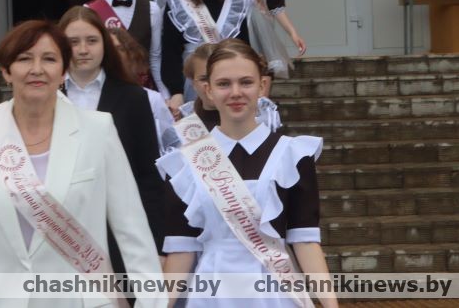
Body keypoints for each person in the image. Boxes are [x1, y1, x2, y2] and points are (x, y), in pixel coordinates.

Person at [0, 20, 164, 308]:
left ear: (63, 72)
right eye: (25, 59)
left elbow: (132, 230)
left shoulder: (97, 130)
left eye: (49, 59)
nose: (37, 69)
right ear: (6, 71)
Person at [160, 39, 336, 308]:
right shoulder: (186, 162)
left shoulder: (292, 154)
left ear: (262, 86)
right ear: (208, 90)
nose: (235, 92)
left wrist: (331, 304)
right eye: (223, 84)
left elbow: (305, 242)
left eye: (246, 82)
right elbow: (182, 250)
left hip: (275, 294)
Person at [59, 6, 165, 271]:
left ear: (104, 45)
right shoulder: (48, 96)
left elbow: (147, 174)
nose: (83, 50)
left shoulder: (133, 97)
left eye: (92, 41)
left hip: (117, 230)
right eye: (73, 42)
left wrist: (156, 243)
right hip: (60, 226)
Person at [156, 0, 253, 117]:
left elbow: (244, 47)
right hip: (193, 82)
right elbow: (171, 51)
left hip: (230, 80)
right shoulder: (179, 1)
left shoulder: (235, 0)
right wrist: (176, 91)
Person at [87, 0, 165, 94]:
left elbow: (155, 57)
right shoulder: (90, 10)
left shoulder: (152, 9)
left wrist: (163, 92)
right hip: (105, 88)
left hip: (143, 88)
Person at [178, 43, 281, 134]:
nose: (235, 92)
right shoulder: (186, 122)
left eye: (223, 82)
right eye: (204, 79)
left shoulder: (263, 118)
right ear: (193, 83)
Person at [108, 27, 175, 155]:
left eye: (120, 49)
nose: (114, 55)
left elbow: (171, 145)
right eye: (108, 49)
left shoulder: (152, 99)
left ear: (131, 55)